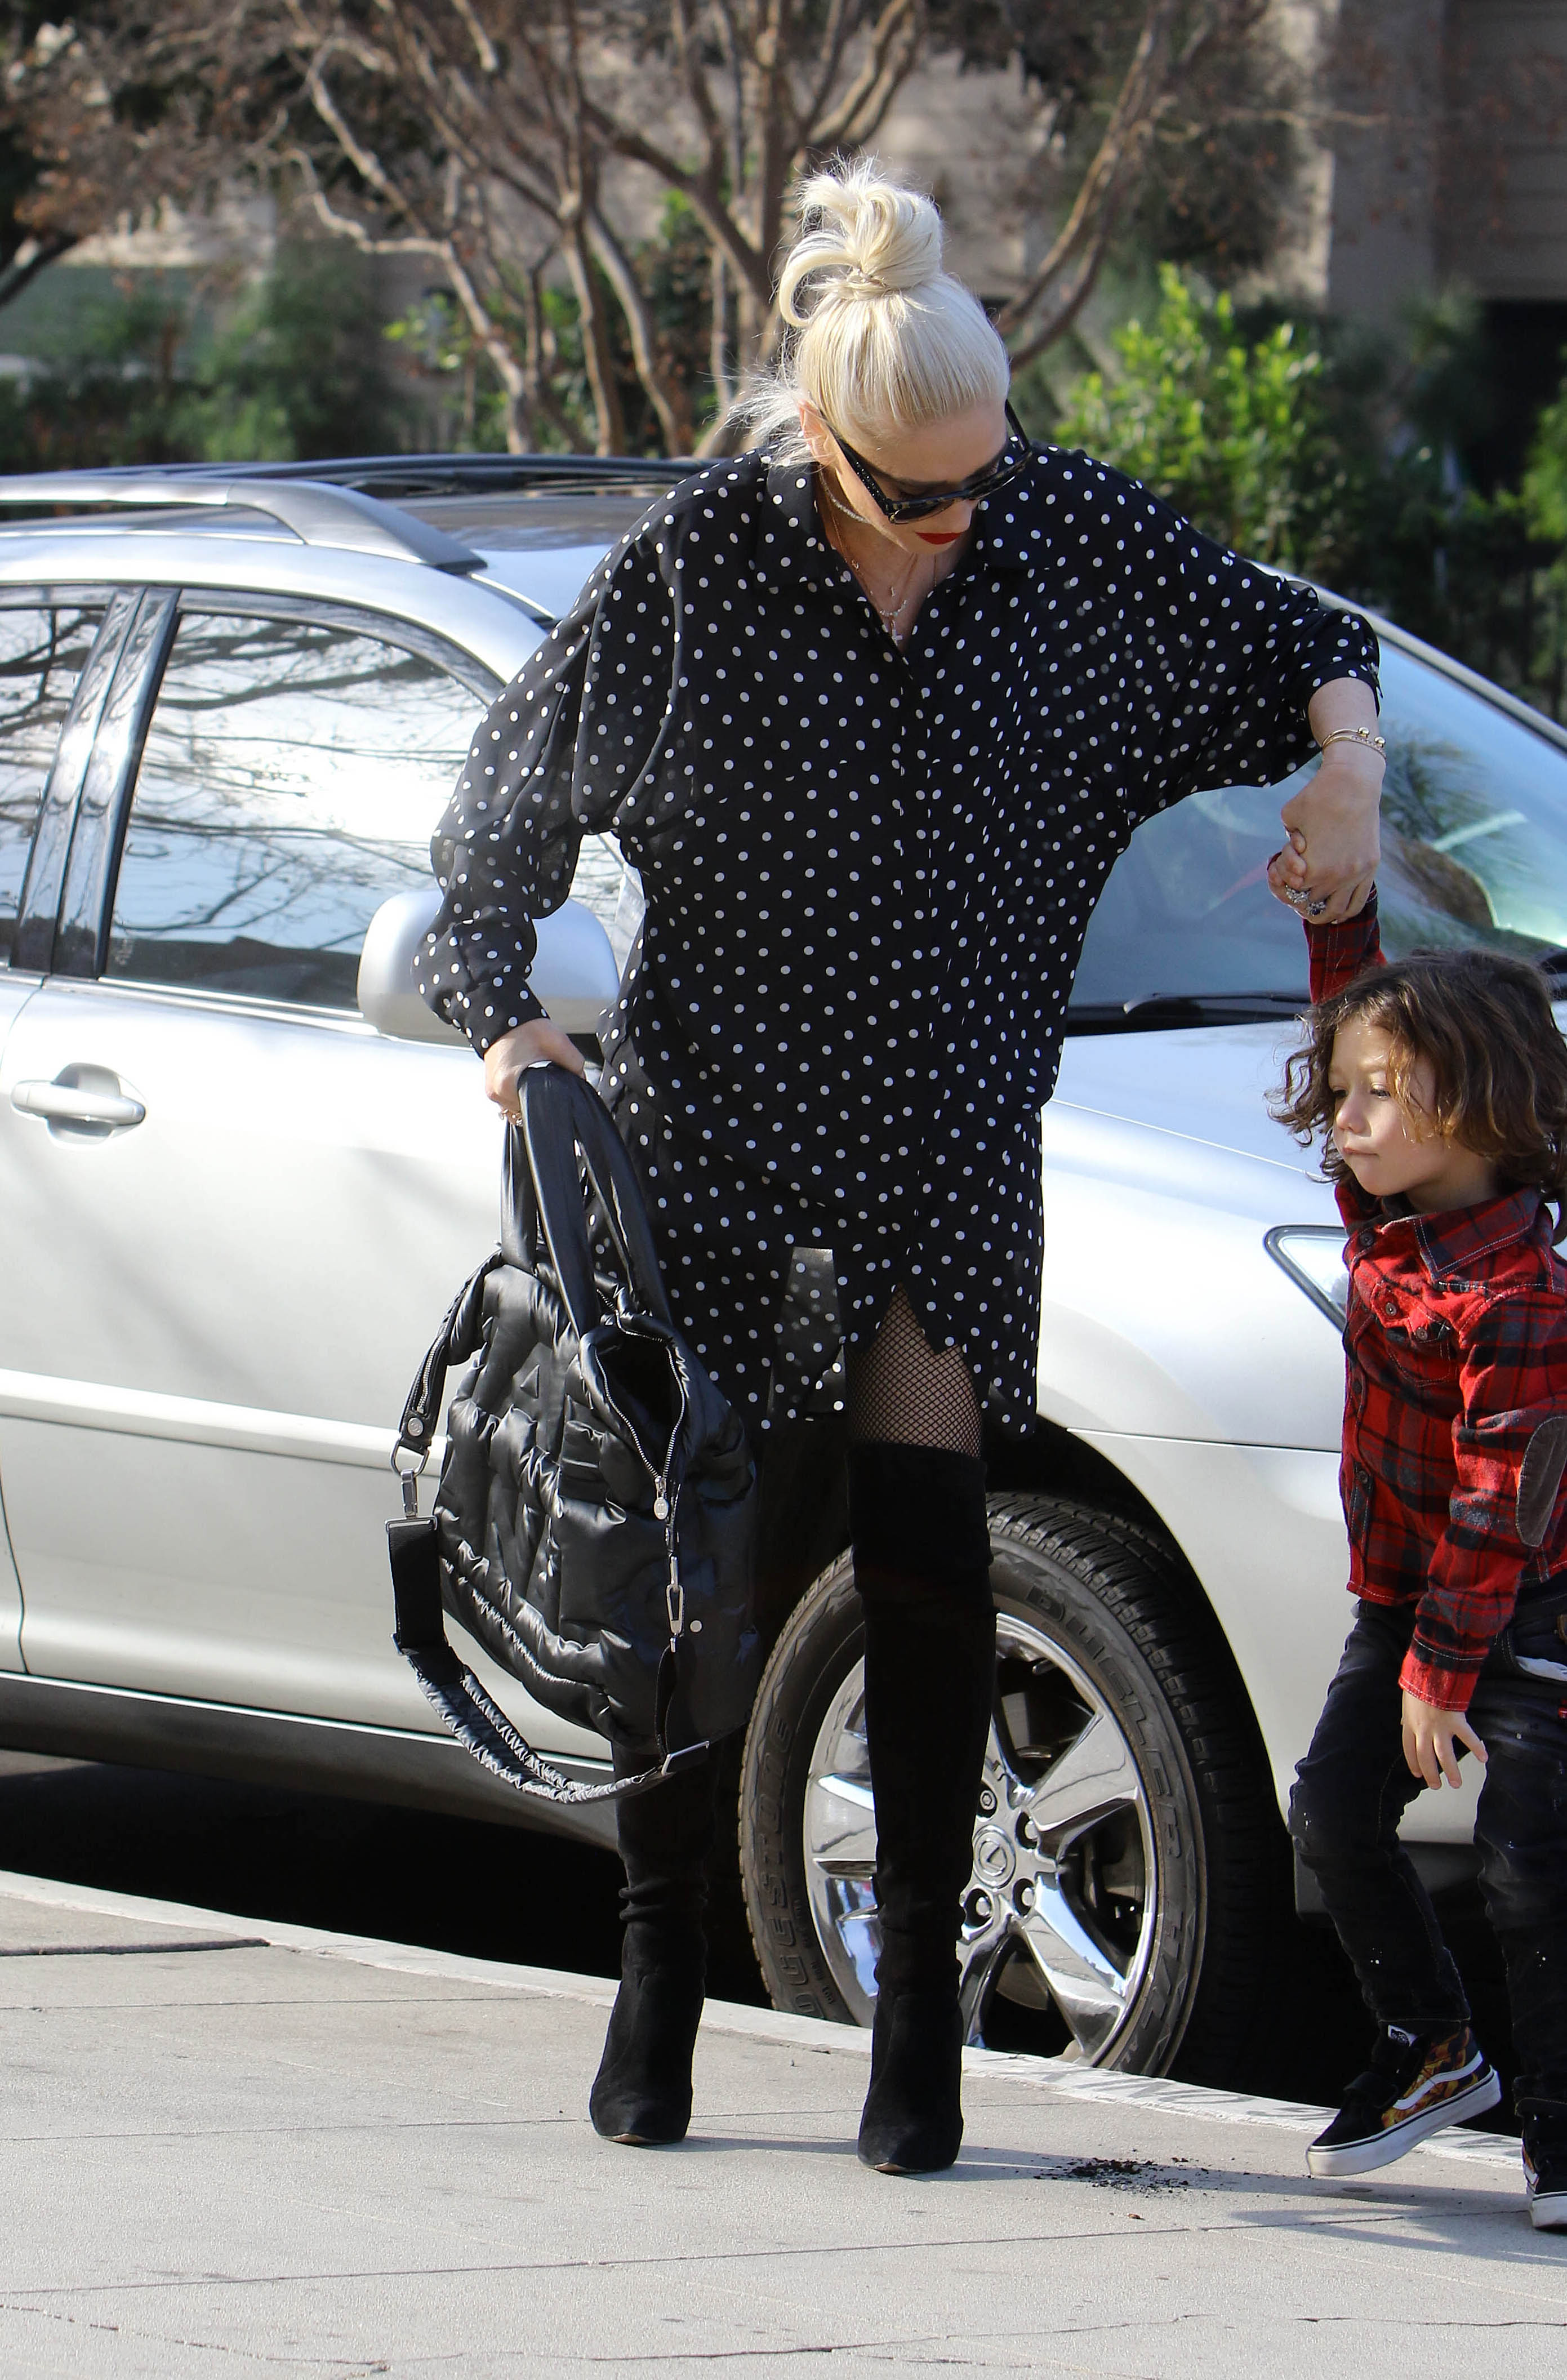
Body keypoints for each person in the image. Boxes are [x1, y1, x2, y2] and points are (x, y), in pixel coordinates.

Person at [418, 155, 1382, 2176]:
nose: (965, 515)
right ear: (825, 445)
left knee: (934, 1573)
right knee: (693, 1590)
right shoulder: (704, 565)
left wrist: (1348, 779)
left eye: (984, 474)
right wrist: (503, 1018)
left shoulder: (1056, 527)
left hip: (946, 1148)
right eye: (922, 494)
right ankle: (658, 1967)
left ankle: (920, 2025)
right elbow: (503, 799)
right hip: (718, 1143)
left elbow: (1307, 635)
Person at [1271, 847, 1567, 2227]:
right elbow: (1356, 993)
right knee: (1332, 1813)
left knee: (1524, 1863)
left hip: (1531, 1608)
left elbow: (1500, 1499)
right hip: (1406, 1603)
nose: (1345, 1118)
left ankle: (1557, 2132)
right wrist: (1335, 906)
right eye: (1339, 1091)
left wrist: (1441, 1672)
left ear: (1479, 1101)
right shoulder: (1386, 1226)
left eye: (1377, 1094)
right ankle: (1432, 2045)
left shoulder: (1520, 1293)